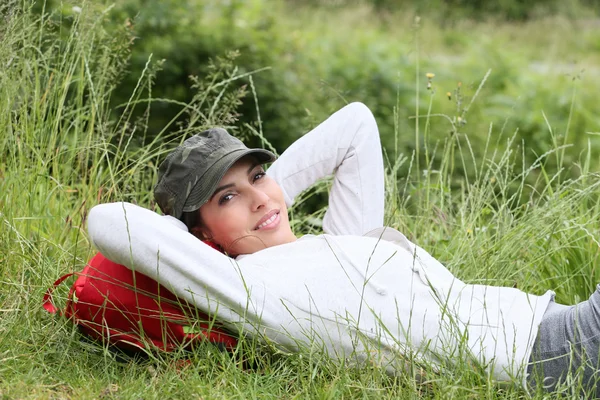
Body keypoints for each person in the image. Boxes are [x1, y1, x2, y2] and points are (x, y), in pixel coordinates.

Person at [88, 102, 599, 395]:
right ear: (200, 238)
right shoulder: (254, 292)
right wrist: (206, 237)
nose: (258, 196)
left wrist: (264, 199)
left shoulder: (337, 243)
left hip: (557, 321)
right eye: (227, 197)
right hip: (553, 355)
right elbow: (110, 220)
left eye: (258, 176)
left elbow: (356, 124)